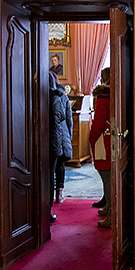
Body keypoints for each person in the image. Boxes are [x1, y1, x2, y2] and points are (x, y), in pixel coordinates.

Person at [89, 67, 113, 228]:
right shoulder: (115, 93)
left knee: (106, 177)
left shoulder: (103, 97)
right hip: (112, 139)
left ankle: (111, 212)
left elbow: (98, 123)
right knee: (109, 177)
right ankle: (108, 207)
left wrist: (91, 138)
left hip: (104, 140)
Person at [48, 74, 73, 217]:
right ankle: (59, 194)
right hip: (62, 134)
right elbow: (69, 120)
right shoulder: (62, 96)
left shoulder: (52, 96)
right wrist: (68, 136)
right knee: (59, 166)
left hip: (57, 135)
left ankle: (55, 195)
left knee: (54, 168)